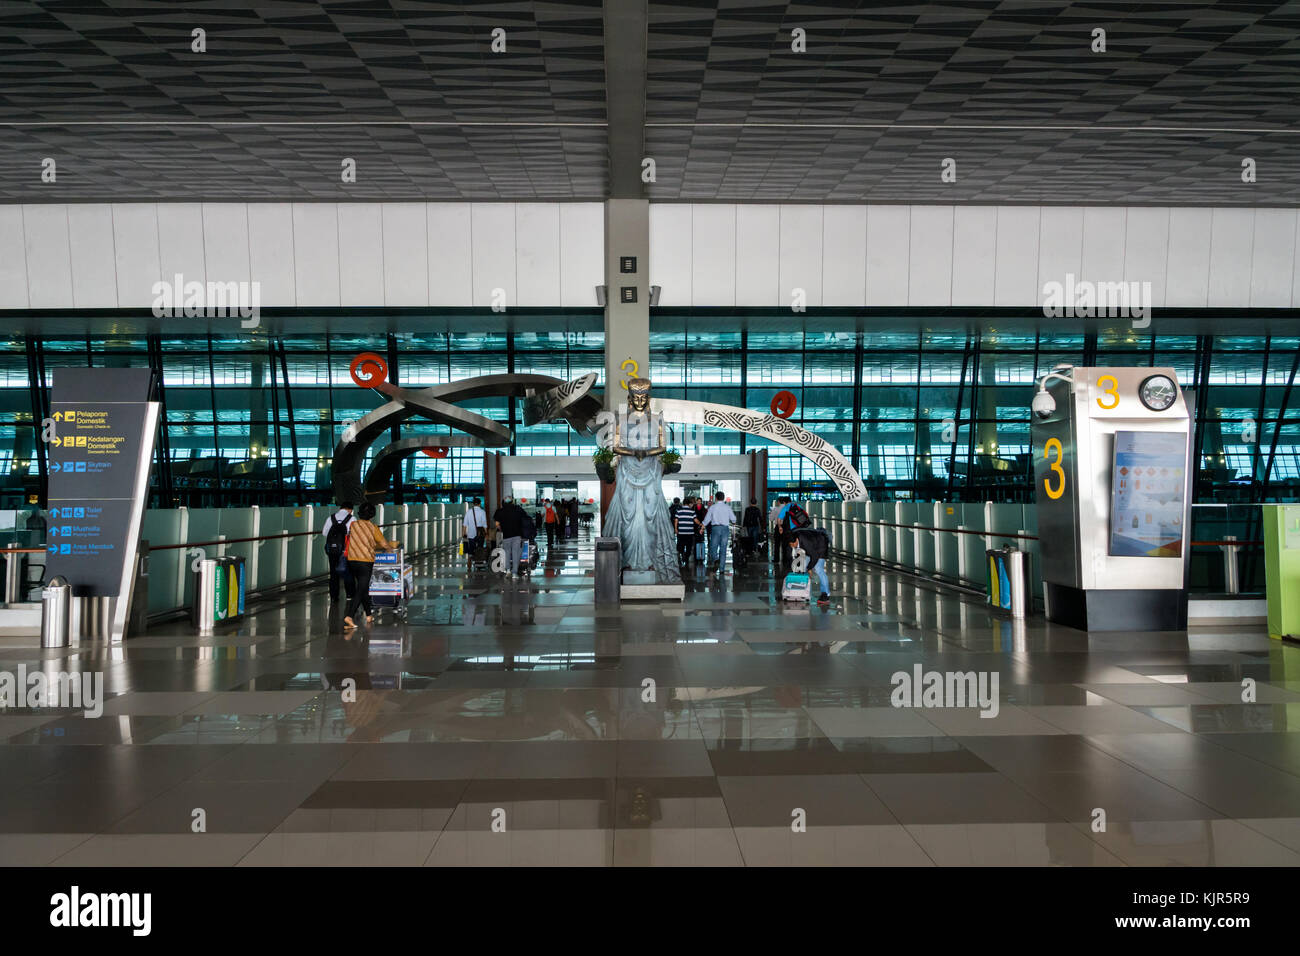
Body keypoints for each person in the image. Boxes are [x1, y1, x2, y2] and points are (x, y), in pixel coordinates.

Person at [343, 502, 400, 630]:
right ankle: (349, 616)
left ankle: (369, 615)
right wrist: (391, 549)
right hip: (365, 562)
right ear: (372, 514)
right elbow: (384, 544)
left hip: (352, 560)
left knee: (363, 588)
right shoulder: (373, 527)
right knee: (361, 589)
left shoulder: (353, 525)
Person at [321, 501, 354, 602]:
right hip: (346, 550)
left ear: (341, 508)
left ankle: (334, 596)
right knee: (347, 571)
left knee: (333, 573)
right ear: (349, 510)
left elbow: (324, 533)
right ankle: (349, 595)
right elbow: (354, 534)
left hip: (332, 550)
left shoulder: (331, 518)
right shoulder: (352, 518)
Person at [700, 491, 737, 575]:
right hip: (725, 529)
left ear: (716, 498)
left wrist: (702, 527)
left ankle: (716, 559)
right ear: (723, 498)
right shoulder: (727, 507)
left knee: (713, 547)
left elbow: (707, 519)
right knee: (723, 549)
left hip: (715, 528)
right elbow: (733, 519)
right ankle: (721, 569)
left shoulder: (712, 507)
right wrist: (733, 522)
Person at [794, 525, 832, 606]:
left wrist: (809, 568)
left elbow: (814, 556)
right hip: (812, 547)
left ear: (796, 541)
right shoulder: (794, 538)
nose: (791, 546)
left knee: (818, 569)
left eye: (792, 544)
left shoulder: (804, 541)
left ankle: (826, 594)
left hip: (821, 545)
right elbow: (800, 554)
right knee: (803, 567)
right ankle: (805, 591)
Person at [493, 495, 528, 580]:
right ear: (512, 502)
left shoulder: (500, 511)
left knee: (507, 553)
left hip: (506, 536)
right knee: (516, 554)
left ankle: (508, 570)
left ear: (503, 502)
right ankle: (514, 573)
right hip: (517, 535)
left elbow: (497, 524)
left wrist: (502, 528)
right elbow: (525, 518)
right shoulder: (518, 509)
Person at [462, 496, 488, 567]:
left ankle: (469, 560)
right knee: (479, 547)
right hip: (480, 534)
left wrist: (464, 534)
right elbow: (484, 524)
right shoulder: (482, 512)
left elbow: (465, 524)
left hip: (471, 534)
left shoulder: (469, 512)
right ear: (479, 504)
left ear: (473, 504)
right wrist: (486, 534)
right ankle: (478, 562)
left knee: (471, 548)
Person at [673, 496, 698, 567]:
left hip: (681, 532)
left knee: (680, 545)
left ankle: (682, 554)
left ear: (683, 503)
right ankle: (686, 558)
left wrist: (675, 529)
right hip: (690, 532)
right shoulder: (692, 511)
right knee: (689, 547)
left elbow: (676, 520)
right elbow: (695, 520)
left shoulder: (679, 511)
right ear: (689, 503)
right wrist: (701, 524)